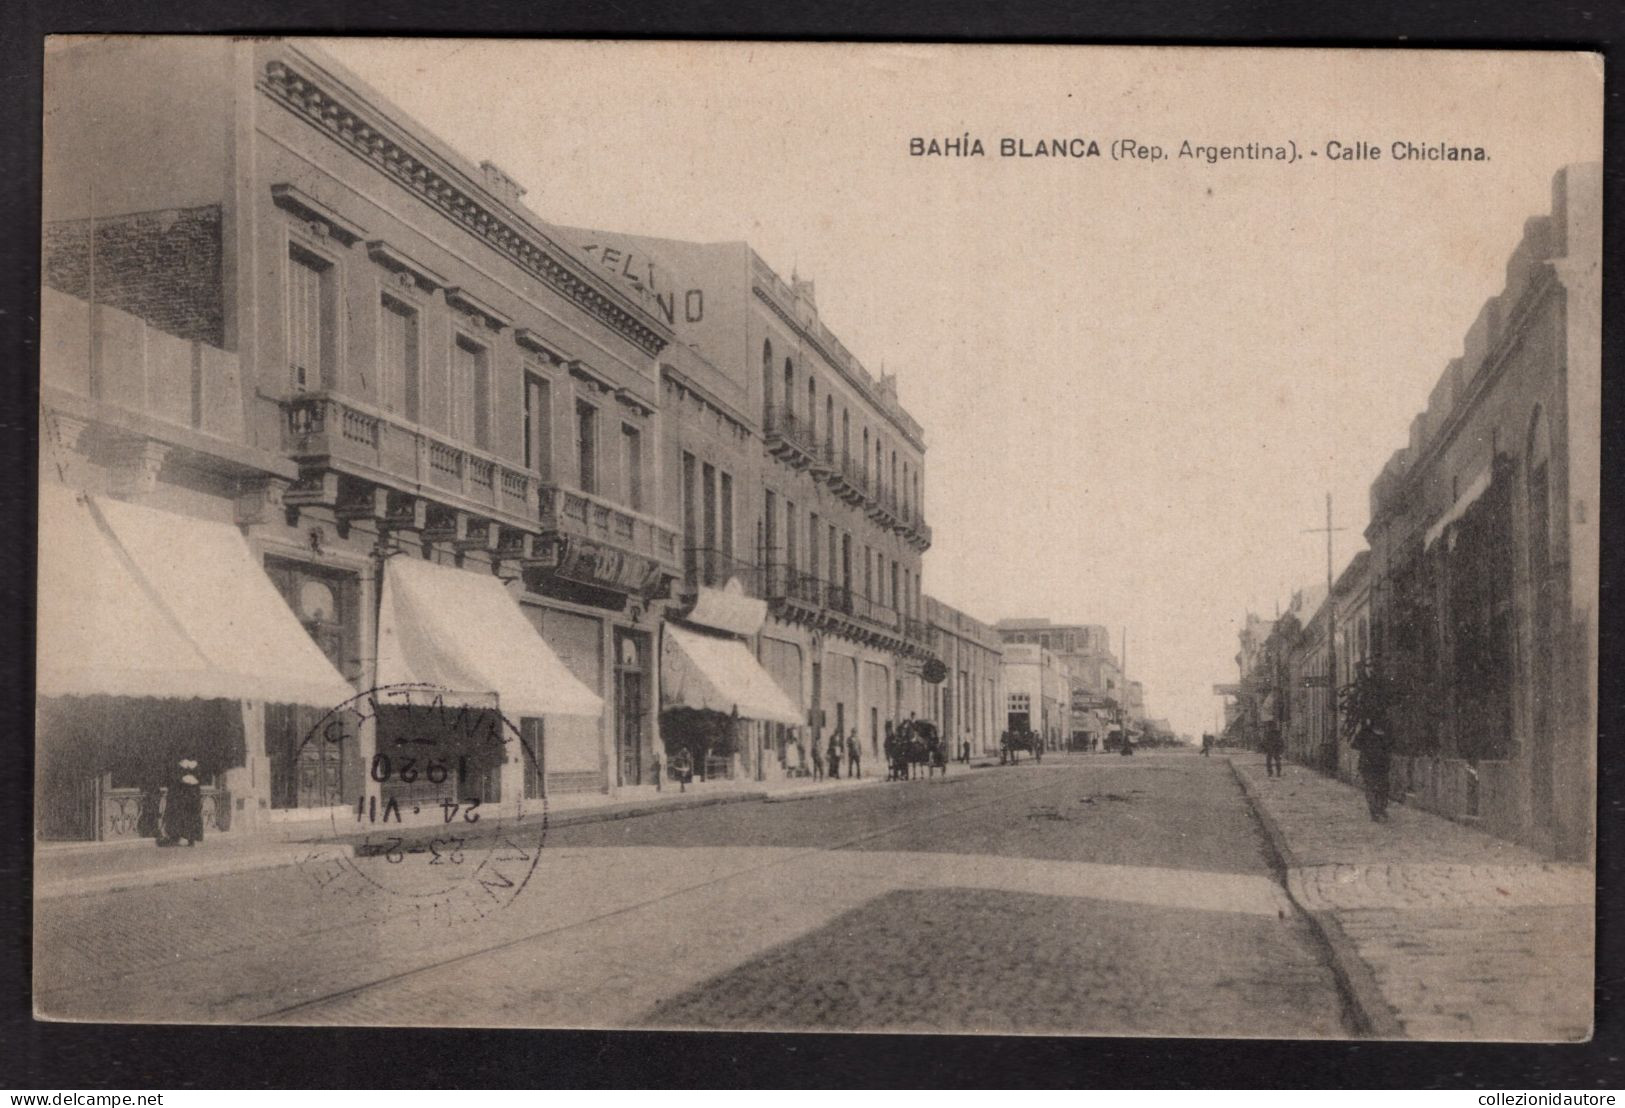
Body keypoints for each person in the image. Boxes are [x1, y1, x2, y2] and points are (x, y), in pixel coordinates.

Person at [1354, 722, 1393, 822]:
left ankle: (1380, 808)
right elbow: (1355, 744)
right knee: (1372, 787)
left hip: (1381, 765)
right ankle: (1375, 811)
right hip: (1368, 765)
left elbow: (1391, 747)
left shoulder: (1387, 732)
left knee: (1383, 788)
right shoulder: (1365, 732)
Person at [162, 758, 204, 847]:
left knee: (191, 815)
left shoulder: (194, 765)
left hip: (192, 793)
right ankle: (180, 837)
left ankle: (191, 838)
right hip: (184, 793)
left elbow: (200, 777)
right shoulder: (179, 765)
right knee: (183, 815)